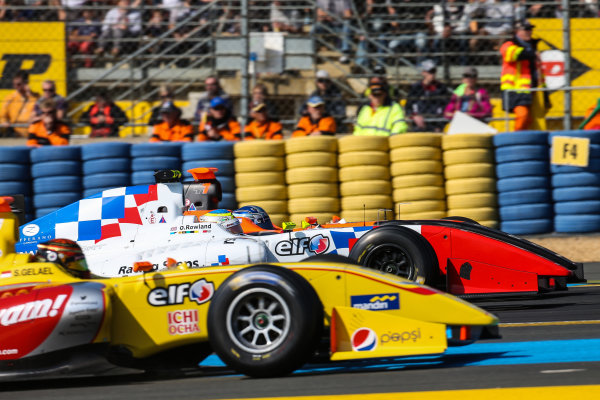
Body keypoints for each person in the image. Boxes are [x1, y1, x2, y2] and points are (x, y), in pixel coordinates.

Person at [499, 20, 546, 131]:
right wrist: (532, 52)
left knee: (530, 120)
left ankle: (524, 142)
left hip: (533, 91)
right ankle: (516, 139)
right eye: (526, 29)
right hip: (515, 90)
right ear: (516, 31)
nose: (529, 32)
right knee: (522, 115)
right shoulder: (509, 44)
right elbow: (514, 54)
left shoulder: (532, 47)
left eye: (530, 29)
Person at [405, 60, 449, 132]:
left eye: (434, 71)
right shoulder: (416, 87)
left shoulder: (441, 88)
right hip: (419, 125)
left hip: (436, 124)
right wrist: (415, 116)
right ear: (423, 72)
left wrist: (440, 125)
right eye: (430, 72)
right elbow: (408, 107)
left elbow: (446, 107)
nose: (432, 74)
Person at [0, 71, 40, 138]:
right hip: (15, 134)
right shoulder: (10, 98)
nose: (15, 87)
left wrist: (30, 95)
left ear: (26, 83)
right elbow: (2, 115)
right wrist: (5, 122)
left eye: (18, 84)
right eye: (14, 84)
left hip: (33, 133)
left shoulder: (36, 97)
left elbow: (39, 108)